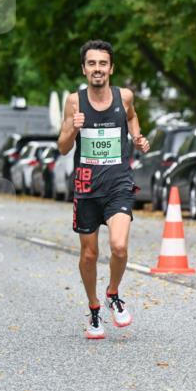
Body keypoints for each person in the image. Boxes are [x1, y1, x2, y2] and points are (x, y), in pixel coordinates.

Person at [57, 40, 150, 339]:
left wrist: (137, 137)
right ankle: (94, 309)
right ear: (83, 69)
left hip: (118, 183)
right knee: (89, 255)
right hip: (86, 185)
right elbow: (62, 147)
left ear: (111, 67)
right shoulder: (74, 102)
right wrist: (74, 127)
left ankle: (112, 293)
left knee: (119, 247)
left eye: (103, 64)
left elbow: (133, 116)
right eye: (92, 64)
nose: (98, 69)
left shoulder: (124, 97)